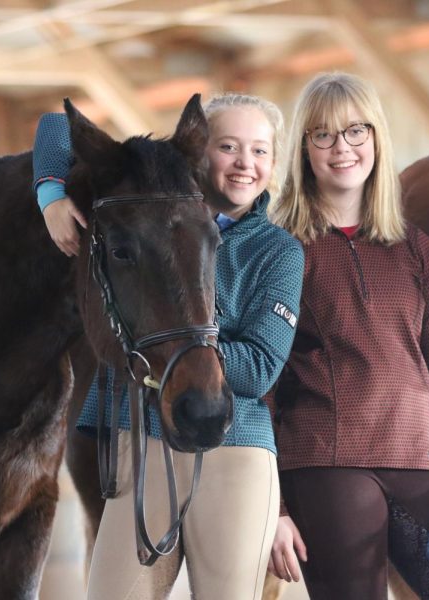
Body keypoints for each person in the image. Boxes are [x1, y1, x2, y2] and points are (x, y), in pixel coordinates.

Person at [32, 93, 304, 600]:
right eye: (228, 146)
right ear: (198, 153)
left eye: (261, 150)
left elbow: (262, 366)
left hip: (236, 446)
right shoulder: (151, 218)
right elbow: (55, 125)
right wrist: (51, 196)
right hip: (141, 437)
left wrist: (176, 349)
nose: (246, 163)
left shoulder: (278, 252)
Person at [266, 71, 429, 599]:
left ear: (376, 139)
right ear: (304, 149)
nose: (341, 148)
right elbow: (260, 389)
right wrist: (272, 508)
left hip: (421, 460)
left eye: (355, 132)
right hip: (325, 463)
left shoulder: (416, 249)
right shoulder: (281, 251)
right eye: (323, 135)